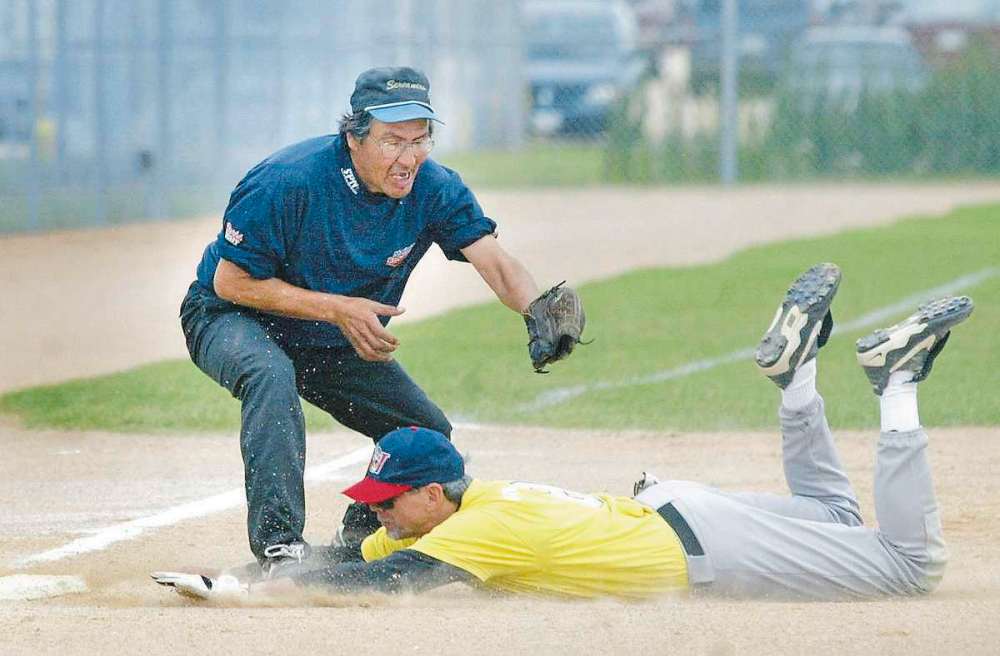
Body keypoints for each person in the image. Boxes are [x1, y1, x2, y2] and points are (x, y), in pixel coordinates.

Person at [157, 263, 973, 601]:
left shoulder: (479, 531)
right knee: (833, 517)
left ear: (434, 496)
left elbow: (375, 584)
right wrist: (236, 577)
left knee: (914, 566)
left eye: (390, 503)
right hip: (681, 515)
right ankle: (796, 382)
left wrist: (250, 599)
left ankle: (896, 386)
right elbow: (347, 558)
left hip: (705, 549)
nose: (381, 514)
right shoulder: (461, 511)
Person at [178, 66, 584, 577]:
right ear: (353, 137)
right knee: (269, 375)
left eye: (420, 140)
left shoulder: (434, 188)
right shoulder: (287, 181)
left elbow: (494, 260)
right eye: (393, 140)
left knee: (425, 430)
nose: (408, 156)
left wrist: (535, 307)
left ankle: (356, 546)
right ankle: (280, 552)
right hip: (231, 316)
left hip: (328, 332)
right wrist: (339, 309)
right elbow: (230, 283)